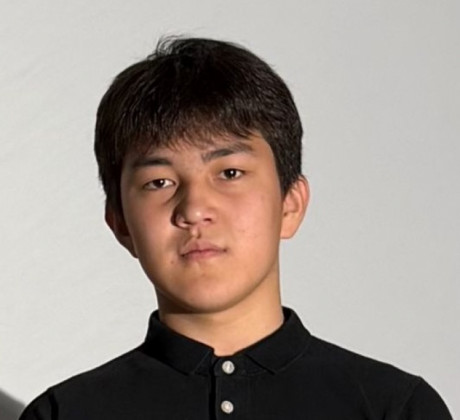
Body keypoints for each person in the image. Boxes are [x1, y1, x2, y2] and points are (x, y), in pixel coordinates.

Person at [20, 36, 452, 420]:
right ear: (120, 224)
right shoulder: (65, 413)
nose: (194, 209)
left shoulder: (394, 408)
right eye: (159, 182)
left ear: (290, 204)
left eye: (229, 173)